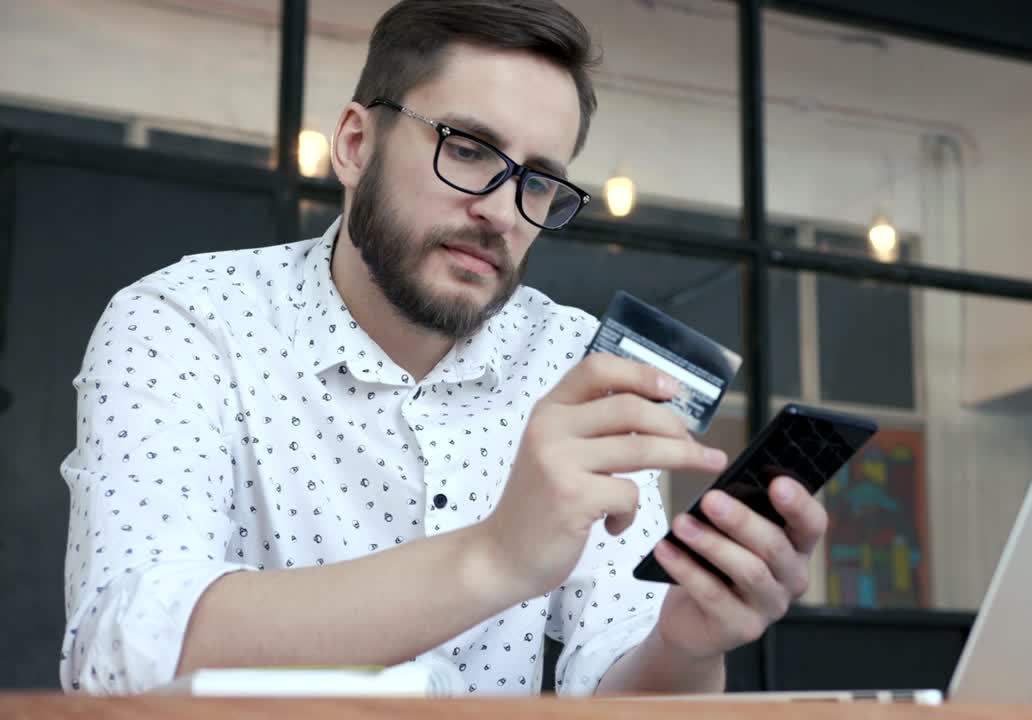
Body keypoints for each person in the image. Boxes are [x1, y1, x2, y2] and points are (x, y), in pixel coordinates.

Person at [60, 0, 828, 696]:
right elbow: (123, 651)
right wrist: (497, 556)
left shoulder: (575, 362)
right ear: (357, 144)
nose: (501, 211)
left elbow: (619, 686)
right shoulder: (186, 321)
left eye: (537, 183)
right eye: (466, 149)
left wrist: (686, 644)